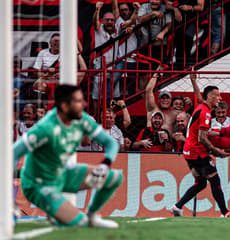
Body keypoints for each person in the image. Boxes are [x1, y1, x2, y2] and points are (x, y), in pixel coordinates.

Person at [13, 85, 122, 228]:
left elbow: (111, 143)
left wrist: (104, 165)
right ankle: (58, 213)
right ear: (64, 106)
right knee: (79, 224)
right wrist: (8, 196)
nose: (84, 104)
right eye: (78, 101)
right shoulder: (45, 128)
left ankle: (92, 215)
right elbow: (13, 153)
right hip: (39, 185)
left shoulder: (82, 120)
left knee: (113, 177)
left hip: (62, 175)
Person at [169, 86, 230, 217]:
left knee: (201, 183)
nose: (220, 98)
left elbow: (201, 132)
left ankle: (177, 206)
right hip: (197, 152)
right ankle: (225, 213)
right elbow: (201, 137)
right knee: (215, 180)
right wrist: (216, 151)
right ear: (210, 96)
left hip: (188, 151)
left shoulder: (202, 108)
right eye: (217, 95)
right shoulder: (206, 113)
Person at [112, 0, 139, 96]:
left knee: (133, 83)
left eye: (126, 10)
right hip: (121, 58)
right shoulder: (118, 20)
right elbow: (114, 8)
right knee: (113, 81)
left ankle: (132, 102)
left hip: (133, 58)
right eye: (122, 10)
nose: (124, 12)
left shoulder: (137, 20)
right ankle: (109, 102)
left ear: (130, 11)